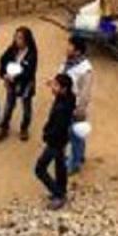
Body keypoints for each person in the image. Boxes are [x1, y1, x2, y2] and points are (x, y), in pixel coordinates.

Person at [35, 73, 76, 210]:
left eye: (56, 86)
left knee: (39, 169)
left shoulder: (61, 109)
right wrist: (52, 83)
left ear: (63, 89)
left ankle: (58, 194)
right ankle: (61, 190)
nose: (53, 88)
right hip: (63, 140)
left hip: (55, 142)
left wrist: (46, 136)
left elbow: (56, 129)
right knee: (60, 166)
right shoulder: (69, 97)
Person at [0, 26, 38, 142]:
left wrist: (14, 77)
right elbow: (3, 60)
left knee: (26, 109)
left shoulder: (32, 54)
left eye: (20, 38)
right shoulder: (12, 49)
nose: (17, 40)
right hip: (11, 84)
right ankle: (4, 127)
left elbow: (29, 72)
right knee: (8, 106)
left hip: (25, 86)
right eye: (16, 37)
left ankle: (24, 129)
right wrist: (4, 74)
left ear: (27, 40)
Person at [60, 35, 94, 174]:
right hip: (65, 103)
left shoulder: (85, 69)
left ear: (78, 51)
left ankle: (74, 164)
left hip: (74, 108)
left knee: (73, 135)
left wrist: (79, 110)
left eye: (70, 45)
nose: (67, 47)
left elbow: (85, 93)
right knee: (76, 134)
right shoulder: (68, 62)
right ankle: (79, 157)